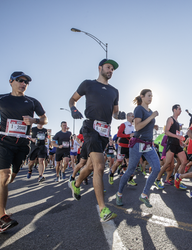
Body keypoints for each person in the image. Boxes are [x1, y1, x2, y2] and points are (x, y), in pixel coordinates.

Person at [0, 71, 47, 232]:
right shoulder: (0, 99)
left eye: (26, 82)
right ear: (11, 81)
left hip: (22, 144)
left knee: (10, 179)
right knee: (4, 174)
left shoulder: (32, 101)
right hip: (4, 142)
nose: (23, 84)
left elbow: (44, 118)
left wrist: (34, 120)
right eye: (20, 80)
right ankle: (2, 218)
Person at [68, 58, 125, 222]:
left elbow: (115, 113)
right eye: (108, 67)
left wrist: (119, 116)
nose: (111, 71)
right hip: (91, 127)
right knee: (100, 166)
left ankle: (76, 183)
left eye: (113, 69)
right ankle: (103, 209)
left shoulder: (115, 91)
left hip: (105, 131)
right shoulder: (88, 84)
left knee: (92, 166)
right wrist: (73, 109)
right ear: (100, 68)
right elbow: (72, 99)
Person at [115, 89, 160, 208]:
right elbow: (138, 126)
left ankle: (144, 194)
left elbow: (146, 124)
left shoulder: (150, 111)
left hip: (149, 144)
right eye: (149, 95)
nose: (151, 98)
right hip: (138, 143)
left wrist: (153, 125)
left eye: (152, 96)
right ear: (142, 96)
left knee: (156, 168)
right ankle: (119, 193)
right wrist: (152, 117)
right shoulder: (139, 108)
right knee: (130, 170)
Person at [155, 104, 187, 189]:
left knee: (184, 162)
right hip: (171, 144)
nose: (181, 111)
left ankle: (178, 181)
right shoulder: (170, 119)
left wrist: (182, 143)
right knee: (167, 164)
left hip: (177, 145)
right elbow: (166, 132)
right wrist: (177, 137)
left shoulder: (177, 122)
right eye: (179, 109)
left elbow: (177, 134)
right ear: (174, 110)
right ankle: (157, 179)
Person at [109, 112, 135, 185]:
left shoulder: (133, 126)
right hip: (122, 146)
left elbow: (132, 136)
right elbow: (119, 134)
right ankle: (111, 174)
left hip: (129, 146)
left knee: (130, 163)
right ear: (128, 117)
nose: (133, 117)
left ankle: (130, 179)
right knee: (118, 162)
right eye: (132, 115)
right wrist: (129, 135)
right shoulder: (123, 124)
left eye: (134, 115)